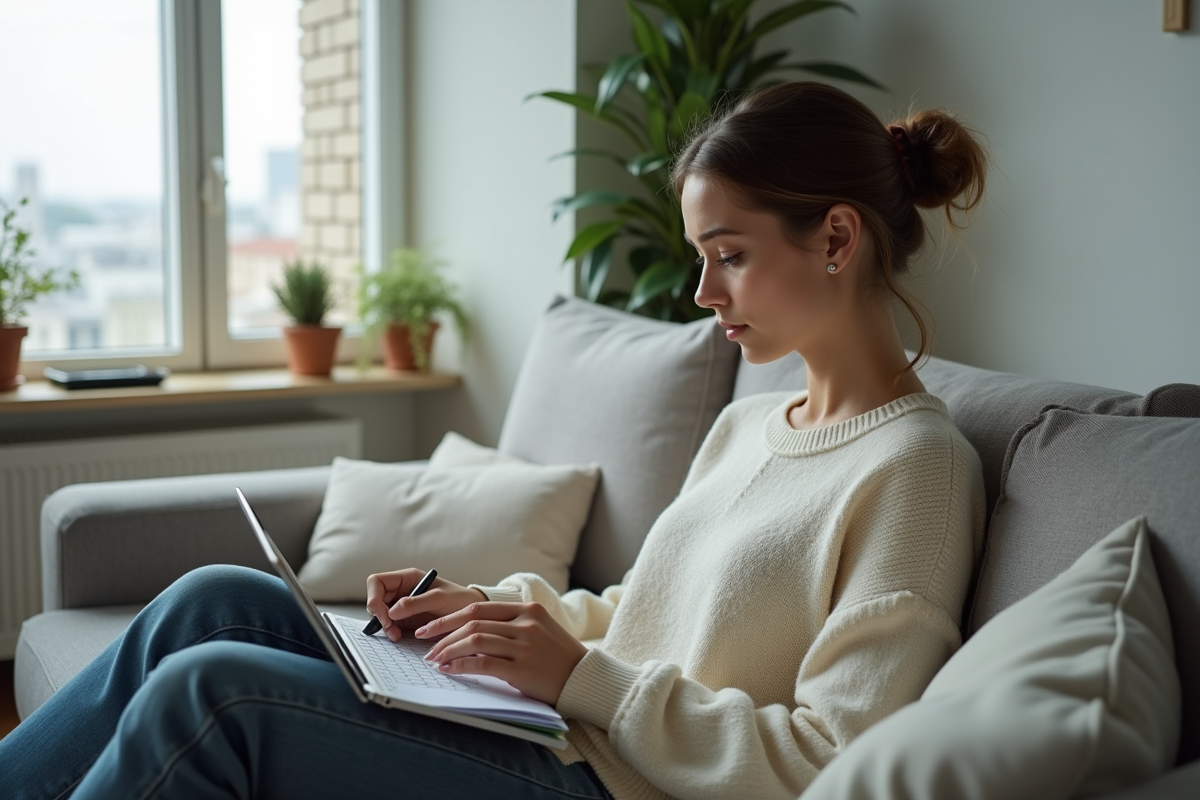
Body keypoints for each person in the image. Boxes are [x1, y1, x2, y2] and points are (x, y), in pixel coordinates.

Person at [0, 81, 988, 800]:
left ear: (836, 238)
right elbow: (645, 615)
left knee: (213, 694)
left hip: (616, 783)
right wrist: (481, 609)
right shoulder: (748, 424)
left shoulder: (918, 469)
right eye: (701, 257)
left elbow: (834, 754)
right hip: (571, 730)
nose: (701, 294)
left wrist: (580, 679)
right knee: (213, 601)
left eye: (728, 255)